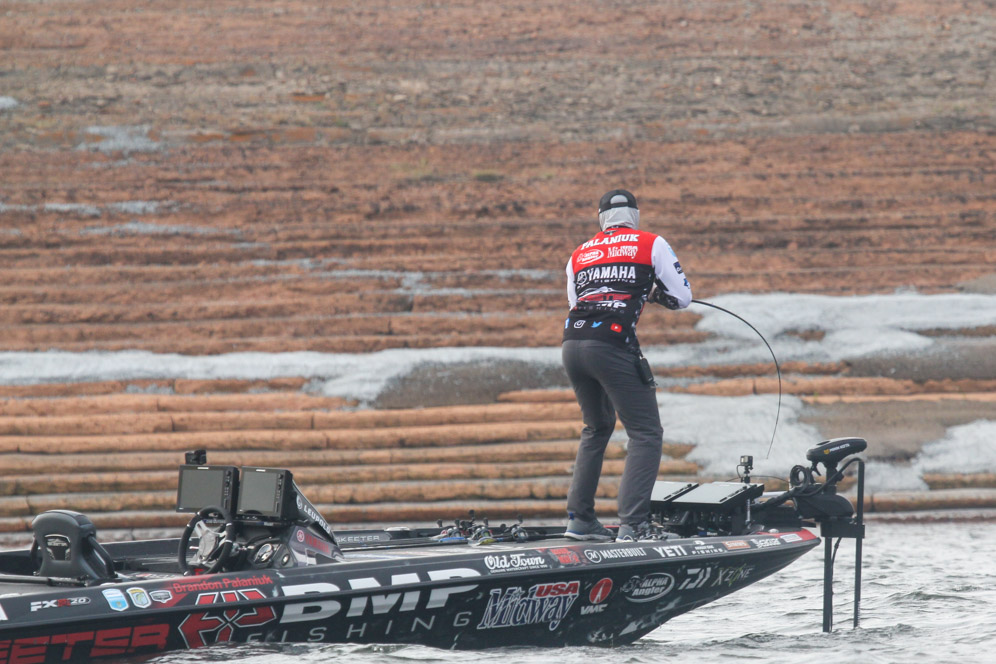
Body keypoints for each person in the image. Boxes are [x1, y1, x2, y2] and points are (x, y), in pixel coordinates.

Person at [562, 189, 692, 542]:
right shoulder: (651, 243)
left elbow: (576, 302)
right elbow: (683, 297)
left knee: (596, 428)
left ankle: (580, 520)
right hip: (611, 345)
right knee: (646, 433)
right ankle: (634, 525)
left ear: (601, 218)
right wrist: (655, 295)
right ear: (634, 215)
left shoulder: (579, 253)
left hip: (572, 344)